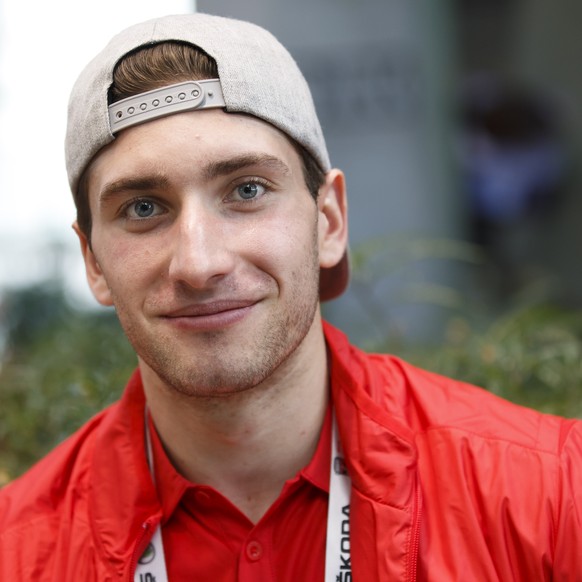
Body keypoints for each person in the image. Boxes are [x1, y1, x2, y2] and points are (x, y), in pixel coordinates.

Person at [0, 12, 581, 581]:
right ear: (93, 262)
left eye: (246, 190)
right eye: (144, 208)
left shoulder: (552, 497)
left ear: (329, 221)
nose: (200, 264)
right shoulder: (17, 553)